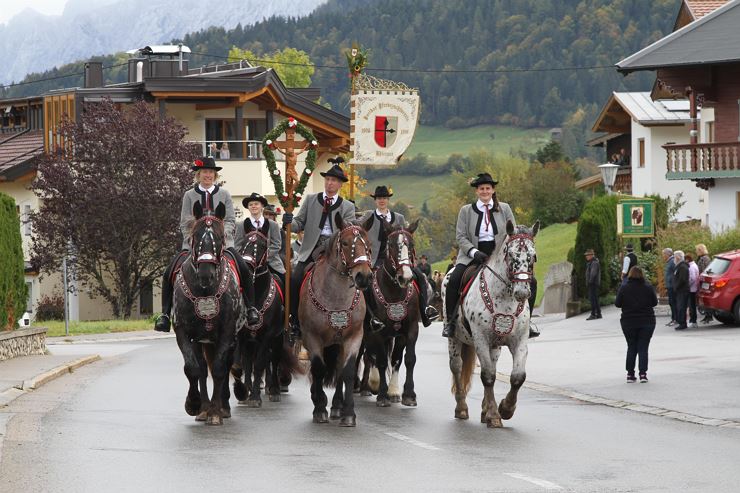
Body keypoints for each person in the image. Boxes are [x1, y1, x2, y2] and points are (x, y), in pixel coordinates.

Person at [154, 156, 259, 332]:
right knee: (168, 272)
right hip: (194, 245)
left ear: (215, 175)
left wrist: (220, 237)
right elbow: (184, 222)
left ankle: (251, 309)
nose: (208, 175)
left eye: (211, 172)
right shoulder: (189, 195)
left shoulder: (224, 194)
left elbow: (231, 220)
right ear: (199, 174)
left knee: (243, 269)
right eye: (204, 172)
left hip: (221, 243)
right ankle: (165, 314)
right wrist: (194, 240)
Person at [282, 161, 356, 341]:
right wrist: (289, 221)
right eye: (328, 179)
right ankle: (295, 321)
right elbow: (300, 222)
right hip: (311, 249)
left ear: (340, 184)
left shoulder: (347, 206)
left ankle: (359, 319)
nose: (330, 183)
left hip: (335, 249)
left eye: (334, 181)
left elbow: (348, 230)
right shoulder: (311, 199)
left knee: (356, 279)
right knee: (295, 279)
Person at [442, 172, 515, 338]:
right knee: (454, 280)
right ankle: (450, 323)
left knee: (528, 280)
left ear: (493, 190)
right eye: (481, 188)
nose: (484, 191)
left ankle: (527, 322)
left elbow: (513, 233)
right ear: (476, 191)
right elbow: (460, 236)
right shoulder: (466, 211)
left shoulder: (505, 208)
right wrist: (474, 252)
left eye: (487, 188)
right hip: (472, 254)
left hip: (500, 254)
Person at [358, 185, 437, 328]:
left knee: (419, 276)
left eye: (384, 198)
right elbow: (357, 227)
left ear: (388, 200)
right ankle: (370, 317)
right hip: (375, 259)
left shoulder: (399, 218)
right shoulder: (369, 216)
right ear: (375, 200)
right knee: (365, 284)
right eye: (379, 198)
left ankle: (424, 310)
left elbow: (406, 237)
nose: (382, 201)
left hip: (397, 259)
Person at [615, 266, 657, 383]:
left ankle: (630, 374)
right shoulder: (648, 287)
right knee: (643, 347)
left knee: (631, 347)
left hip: (629, 321)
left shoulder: (624, 288)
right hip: (647, 321)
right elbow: (654, 302)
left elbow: (617, 304)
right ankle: (643, 374)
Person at [235, 192, 285, 285]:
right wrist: (247, 260)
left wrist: (264, 258)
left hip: (270, 262)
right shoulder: (241, 225)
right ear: (248, 207)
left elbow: (276, 245)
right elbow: (237, 246)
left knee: (285, 281)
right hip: (247, 264)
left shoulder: (273, 225)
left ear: (262, 206)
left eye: (256, 204)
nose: (253, 206)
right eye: (251, 204)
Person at [695, 244, 712, 323]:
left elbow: (707, 270)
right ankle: (707, 315)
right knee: (704, 299)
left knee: (706, 298)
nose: (696, 252)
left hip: (705, 281)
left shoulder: (705, 258)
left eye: (697, 250)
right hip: (703, 280)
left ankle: (709, 316)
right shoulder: (702, 258)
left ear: (700, 250)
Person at [673, 250, 690, 331]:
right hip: (680, 290)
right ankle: (681, 322)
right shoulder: (679, 266)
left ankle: (683, 323)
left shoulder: (683, 266)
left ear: (678, 257)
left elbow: (682, 279)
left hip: (682, 290)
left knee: (681, 307)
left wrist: (676, 286)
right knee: (680, 306)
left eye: (674, 257)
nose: (674, 259)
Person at [585, 249, 602, 320]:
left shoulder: (594, 263)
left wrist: (590, 281)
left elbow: (593, 273)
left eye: (587, 255)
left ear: (591, 255)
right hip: (593, 283)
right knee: (595, 298)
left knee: (592, 299)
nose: (586, 257)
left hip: (593, 283)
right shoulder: (592, 262)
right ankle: (598, 313)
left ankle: (593, 314)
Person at [662, 248, 676, 326]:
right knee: (671, 303)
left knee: (673, 303)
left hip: (672, 286)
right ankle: (674, 318)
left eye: (664, 254)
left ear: (668, 254)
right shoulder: (669, 262)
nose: (663, 256)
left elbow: (675, 273)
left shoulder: (672, 261)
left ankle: (675, 319)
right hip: (669, 286)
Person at [686, 253, 700, 329]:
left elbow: (692, 278)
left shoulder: (691, 267)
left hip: (692, 289)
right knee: (692, 306)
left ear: (687, 259)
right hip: (694, 288)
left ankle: (693, 321)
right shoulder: (694, 265)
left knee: (692, 306)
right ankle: (693, 321)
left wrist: (687, 285)